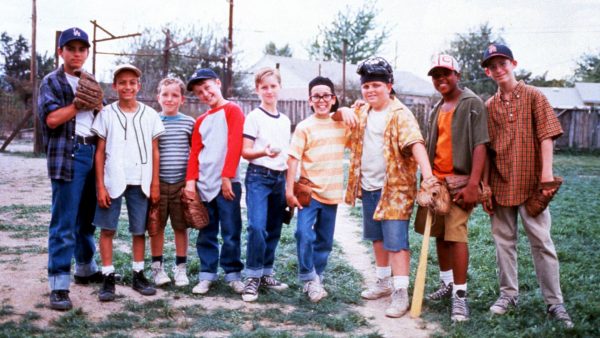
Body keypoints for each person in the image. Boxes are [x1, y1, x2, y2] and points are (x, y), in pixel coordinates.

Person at [481, 43, 573, 328]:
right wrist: (485, 185)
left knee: (541, 242)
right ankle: (508, 295)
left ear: (513, 63)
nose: (498, 69)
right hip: (500, 183)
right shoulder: (489, 105)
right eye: (492, 66)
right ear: (487, 71)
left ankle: (554, 302)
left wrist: (546, 175)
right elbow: (485, 150)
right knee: (503, 242)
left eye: (502, 63)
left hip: (532, 181)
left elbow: (546, 135)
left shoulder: (534, 96)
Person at [341, 56, 434, 318]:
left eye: (376, 85)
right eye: (366, 86)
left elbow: (416, 143)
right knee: (377, 238)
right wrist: (345, 109)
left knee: (396, 243)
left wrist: (428, 178)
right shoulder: (362, 111)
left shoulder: (400, 114)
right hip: (369, 186)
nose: (371, 90)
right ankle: (383, 282)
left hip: (394, 189)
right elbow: (339, 119)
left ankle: (400, 291)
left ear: (389, 86)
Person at [414, 54, 488, 322]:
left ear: (457, 74)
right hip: (439, 183)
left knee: (456, 236)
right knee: (440, 235)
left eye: (446, 73)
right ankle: (446, 283)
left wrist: (472, 184)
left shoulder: (472, 103)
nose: (441, 79)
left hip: (460, 182)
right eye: (435, 75)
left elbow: (481, 145)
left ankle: (460, 295)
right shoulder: (437, 107)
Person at [37, 27, 103, 310]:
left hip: (92, 150)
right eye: (71, 48)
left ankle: (85, 267)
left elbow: (101, 114)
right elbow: (52, 119)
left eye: (81, 49)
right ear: (60, 52)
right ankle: (58, 283)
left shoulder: (90, 80)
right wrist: (78, 103)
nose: (77, 53)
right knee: (64, 221)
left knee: (87, 218)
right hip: (69, 152)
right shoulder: (51, 81)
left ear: (87, 52)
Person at [91, 64, 165, 301]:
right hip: (114, 178)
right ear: (114, 86)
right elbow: (100, 152)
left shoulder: (150, 114)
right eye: (122, 82)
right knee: (108, 228)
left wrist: (155, 183)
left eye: (132, 82)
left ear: (138, 86)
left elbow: (155, 151)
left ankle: (138, 273)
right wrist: (100, 185)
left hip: (141, 179)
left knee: (138, 229)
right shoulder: (106, 114)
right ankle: (108, 276)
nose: (127, 86)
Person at [286, 76, 350, 303]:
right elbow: (293, 159)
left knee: (324, 239)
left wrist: (353, 109)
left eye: (326, 95)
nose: (321, 100)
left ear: (333, 99)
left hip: (332, 193)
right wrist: (289, 190)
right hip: (309, 193)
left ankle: (317, 276)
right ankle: (308, 277)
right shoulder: (304, 127)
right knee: (303, 233)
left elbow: (359, 136)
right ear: (310, 100)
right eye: (316, 96)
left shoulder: (342, 125)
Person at [184, 68, 245, 295]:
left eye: (207, 87)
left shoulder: (232, 110)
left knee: (230, 231)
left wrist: (227, 176)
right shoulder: (200, 121)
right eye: (199, 92)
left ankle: (233, 274)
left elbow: (235, 144)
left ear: (218, 83)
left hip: (227, 184)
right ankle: (207, 274)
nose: (205, 94)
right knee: (206, 231)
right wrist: (191, 182)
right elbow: (195, 154)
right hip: (204, 184)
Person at [240, 68, 290, 302]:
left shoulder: (286, 120)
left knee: (274, 227)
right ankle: (252, 277)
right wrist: (264, 152)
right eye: (264, 87)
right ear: (257, 90)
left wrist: (291, 184)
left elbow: (289, 156)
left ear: (279, 87)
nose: (269, 91)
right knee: (257, 227)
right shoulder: (254, 117)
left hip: (280, 177)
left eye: (273, 86)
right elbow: (245, 152)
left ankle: (266, 272)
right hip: (259, 176)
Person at [149, 77, 195, 287]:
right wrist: (152, 183)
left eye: (175, 95)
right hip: (157, 183)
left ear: (182, 99)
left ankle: (181, 268)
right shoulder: (151, 120)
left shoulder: (189, 122)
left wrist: (190, 182)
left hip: (180, 184)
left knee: (180, 226)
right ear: (158, 97)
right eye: (165, 94)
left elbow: (194, 153)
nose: (170, 99)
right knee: (156, 226)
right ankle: (157, 268)